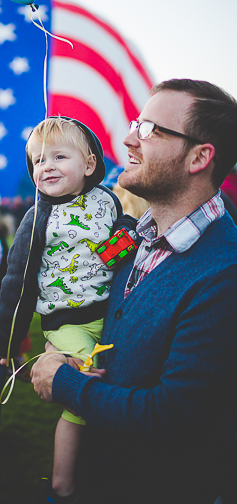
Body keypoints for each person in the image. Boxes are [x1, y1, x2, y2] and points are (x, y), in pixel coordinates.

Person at [29, 79, 237, 504]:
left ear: (200, 156)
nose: (128, 139)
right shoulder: (134, 239)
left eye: (149, 129)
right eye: (135, 123)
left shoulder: (225, 274)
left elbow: (171, 415)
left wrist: (64, 382)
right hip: (97, 480)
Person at [0, 117, 137, 502]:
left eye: (59, 156)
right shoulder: (37, 217)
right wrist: (7, 342)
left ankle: (102, 463)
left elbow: (114, 244)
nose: (47, 166)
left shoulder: (106, 198)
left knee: (118, 381)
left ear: (89, 164)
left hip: (109, 313)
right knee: (84, 386)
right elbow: (15, 283)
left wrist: (126, 232)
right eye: (38, 161)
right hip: (65, 321)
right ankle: (62, 481)